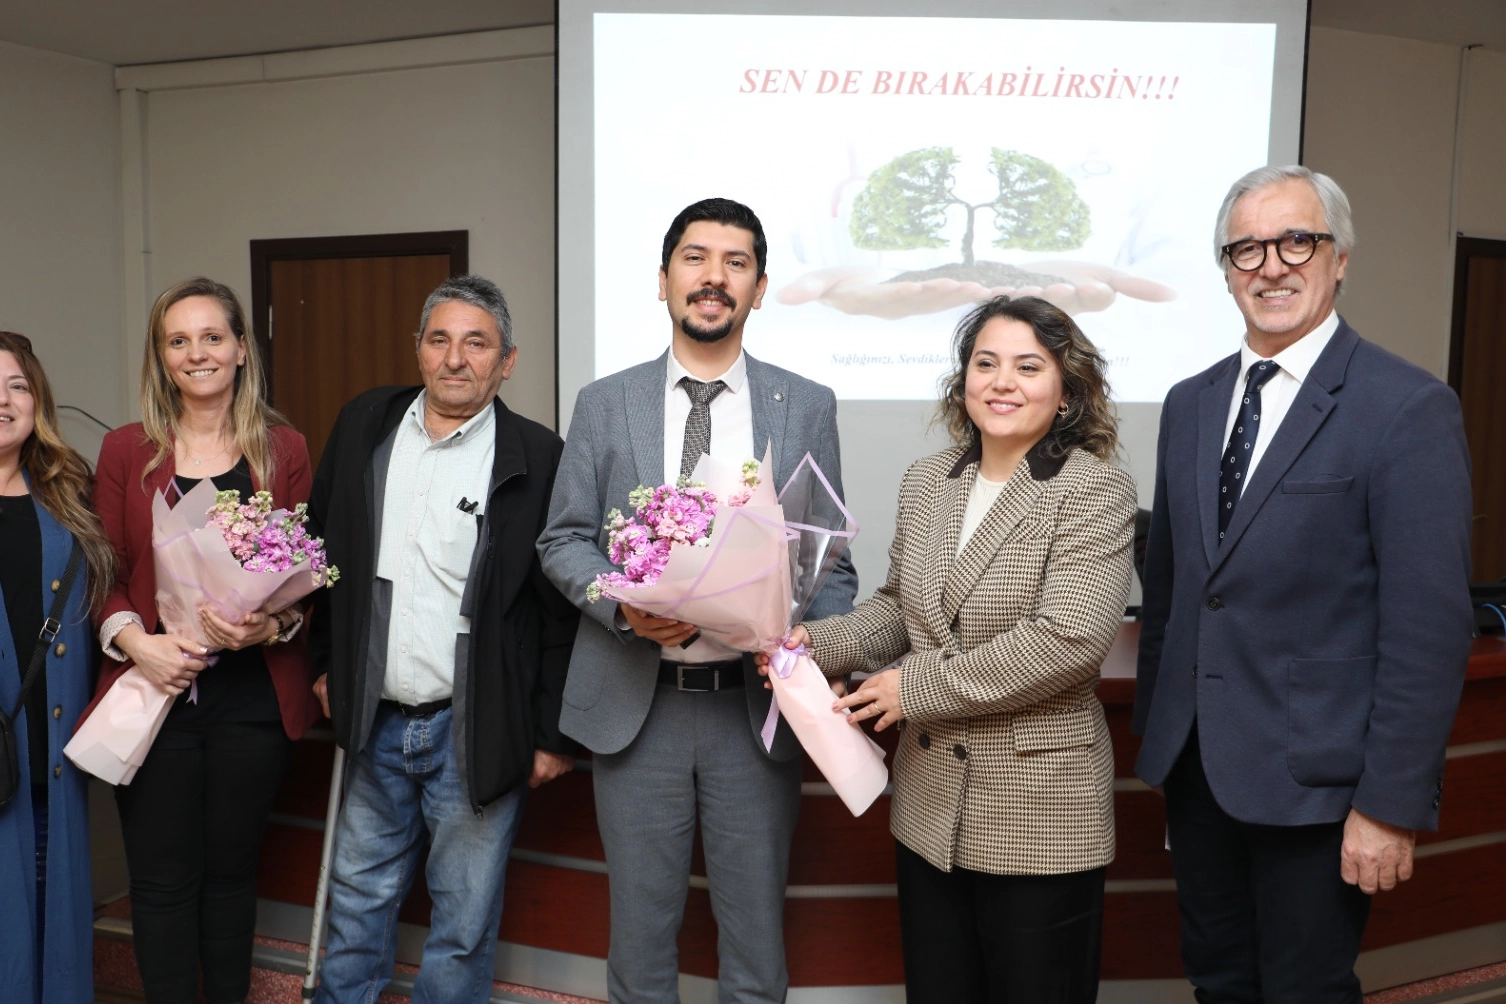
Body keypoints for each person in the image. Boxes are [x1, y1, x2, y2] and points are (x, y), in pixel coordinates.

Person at [1132, 165, 1474, 1002]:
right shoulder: (1190, 403)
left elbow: (1428, 631)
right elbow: (1174, 589)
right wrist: (1161, 739)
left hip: (1322, 787)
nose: (1271, 266)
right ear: (1226, 269)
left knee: (1304, 991)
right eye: (1246, 249)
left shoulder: (1406, 407)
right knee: (1218, 982)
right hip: (1198, 772)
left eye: (1296, 241)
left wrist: (1389, 805)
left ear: (1340, 258)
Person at [761, 295, 1136, 1002]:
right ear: (963, 380)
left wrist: (913, 690)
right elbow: (898, 608)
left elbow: (1068, 641)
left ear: (1066, 392)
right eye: (985, 363)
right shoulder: (929, 481)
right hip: (930, 811)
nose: (1002, 382)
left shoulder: (1094, 489)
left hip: (1039, 814)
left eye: (1028, 367)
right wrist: (815, 642)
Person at [538, 197, 858, 1003]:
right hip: (634, 708)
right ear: (663, 280)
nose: (714, 277)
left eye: (735, 263)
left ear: (758, 289)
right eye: (695, 258)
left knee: (755, 950)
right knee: (641, 946)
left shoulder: (806, 405)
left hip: (752, 712)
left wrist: (810, 647)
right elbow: (562, 540)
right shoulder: (604, 402)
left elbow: (830, 566)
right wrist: (621, 606)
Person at [306, 273, 579, 1003]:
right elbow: (323, 554)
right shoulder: (365, 423)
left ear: (507, 361)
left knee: (462, 922)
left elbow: (558, 609)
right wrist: (327, 664)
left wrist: (550, 734)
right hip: (374, 721)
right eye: (440, 340)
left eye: (477, 343)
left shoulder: (539, 456)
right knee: (356, 902)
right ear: (418, 349)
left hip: (475, 728)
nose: (455, 359)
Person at [89, 277, 322, 1003]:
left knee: (229, 878)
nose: (198, 354)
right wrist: (137, 643)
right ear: (161, 357)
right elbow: (103, 571)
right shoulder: (126, 450)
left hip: (251, 700)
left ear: (242, 349)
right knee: (160, 884)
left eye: (212, 337)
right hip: (153, 693)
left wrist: (269, 624)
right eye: (179, 341)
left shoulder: (282, 449)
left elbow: (305, 576)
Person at [0, 331, 116, 1004]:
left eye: (17, 385)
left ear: (37, 400)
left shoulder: (70, 495)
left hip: (46, 755)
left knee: (51, 913)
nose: (3, 400)